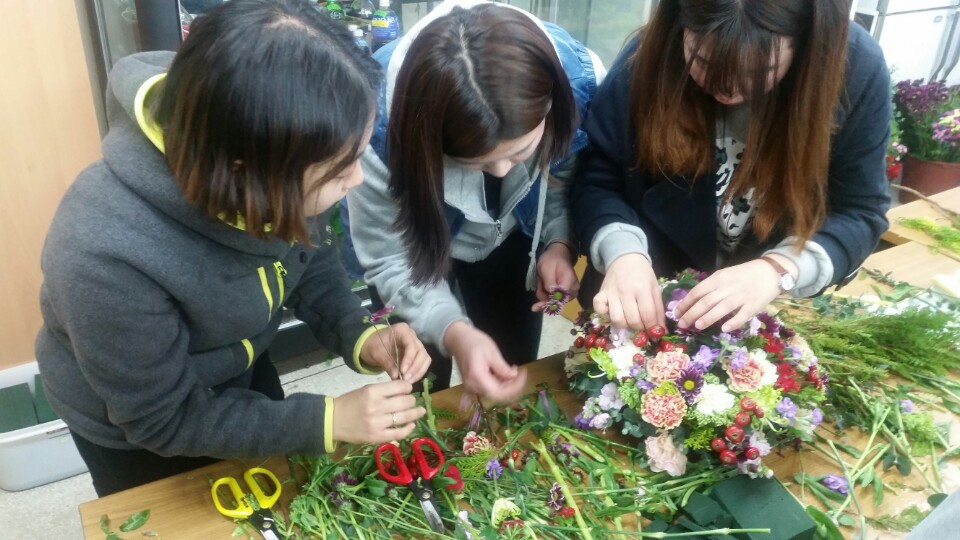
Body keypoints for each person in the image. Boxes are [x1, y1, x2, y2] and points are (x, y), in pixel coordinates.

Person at [35, 0, 430, 497]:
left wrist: (360, 333)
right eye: (338, 170)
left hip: (239, 363)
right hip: (138, 429)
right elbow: (163, 420)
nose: (356, 180)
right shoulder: (103, 256)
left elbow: (308, 258)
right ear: (247, 176)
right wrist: (327, 419)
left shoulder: (279, 153)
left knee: (277, 484)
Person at [572, 0, 891, 333]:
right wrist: (622, 253)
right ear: (680, 25)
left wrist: (778, 270)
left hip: (764, 311)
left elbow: (859, 212)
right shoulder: (647, 58)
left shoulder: (854, 70)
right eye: (703, 61)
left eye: (758, 72)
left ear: (804, 43)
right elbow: (598, 176)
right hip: (641, 300)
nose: (728, 90)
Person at [342, 0, 605, 400]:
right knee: (424, 378)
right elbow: (391, 257)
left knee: (511, 359)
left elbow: (565, 172)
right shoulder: (373, 124)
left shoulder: (579, 82)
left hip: (512, 236)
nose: (500, 171)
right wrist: (454, 331)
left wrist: (558, 241)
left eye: (520, 153)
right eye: (473, 161)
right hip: (414, 241)